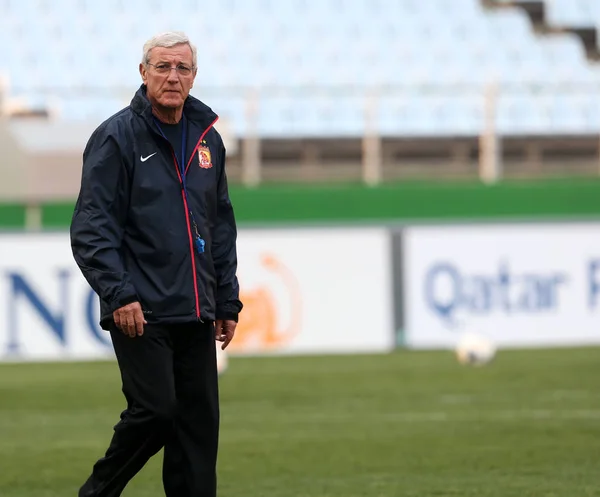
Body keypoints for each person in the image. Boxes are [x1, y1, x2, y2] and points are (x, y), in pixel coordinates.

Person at [70, 31, 243, 497]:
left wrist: (227, 298)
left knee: (197, 432)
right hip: (141, 309)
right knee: (157, 412)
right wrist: (118, 292)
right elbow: (92, 226)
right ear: (143, 72)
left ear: (193, 76)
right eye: (162, 67)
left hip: (197, 308)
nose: (172, 77)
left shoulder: (209, 140)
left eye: (182, 68)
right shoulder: (116, 137)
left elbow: (219, 226)